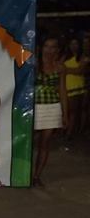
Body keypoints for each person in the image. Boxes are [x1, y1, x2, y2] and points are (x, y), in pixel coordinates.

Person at [33, 35, 68, 186]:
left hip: (52, 107)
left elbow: (63, 91)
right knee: (27, 141)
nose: (49, 50)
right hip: (34, 107)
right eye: (47, 46)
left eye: (53, 47)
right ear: (42, 48)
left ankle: (36, 176)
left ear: (58, 50)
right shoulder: (34, 64)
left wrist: (65, 114)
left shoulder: (60, 67)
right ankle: (23, 173)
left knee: (45, 143)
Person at [62, 36, 88, 139]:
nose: (73, 46)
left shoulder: (82, 56)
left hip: (77, 87)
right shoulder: (65, 56)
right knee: (66, 111)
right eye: (72, 44)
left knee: (73, 111)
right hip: (65, 85)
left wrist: (65, 70)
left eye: (76, 43)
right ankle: (66, 130)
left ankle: (69, 133)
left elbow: (80, 71)